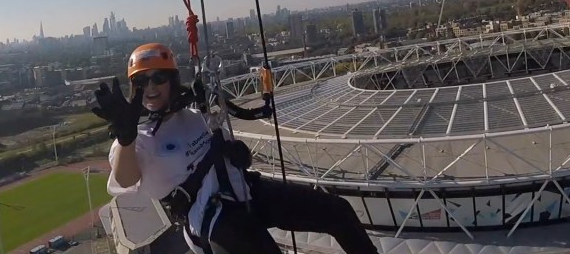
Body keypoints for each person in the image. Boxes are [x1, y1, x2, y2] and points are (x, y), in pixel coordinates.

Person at [93, 42, 379, 254]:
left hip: (246, 192)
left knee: (338, 211)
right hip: (212, 217)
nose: (151, 87)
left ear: (172, 82)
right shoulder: (138, 138)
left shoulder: (194, 116)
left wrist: (237, 153)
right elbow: (125, 178)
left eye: (159, 78)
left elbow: (234, 155)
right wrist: (126, 137)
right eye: (141, 81)